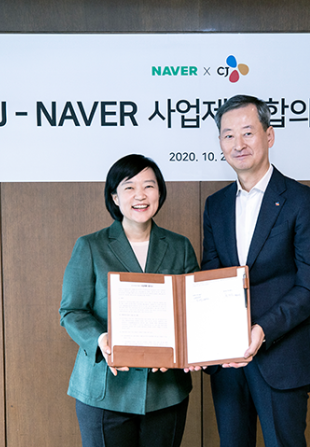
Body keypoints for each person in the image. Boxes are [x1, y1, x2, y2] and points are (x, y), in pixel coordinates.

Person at [200, 95, 310, 447]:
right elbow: (210, 277)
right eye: (228, 135)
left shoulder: (302, 201)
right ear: (219, 143)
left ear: (269, 136)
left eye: (247, 132)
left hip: (281, 355)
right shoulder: (216, 205)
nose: (238, 144)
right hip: (226, 361)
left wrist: (262, 330)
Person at [59, 154, 199, 447]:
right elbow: (72, 311)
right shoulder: (90, 246)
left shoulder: (179, 246)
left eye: (149, 186)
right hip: (105, 389)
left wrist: (187, 348)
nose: (140, 195)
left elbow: (193, 310)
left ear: (159, 192)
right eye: (129, 187)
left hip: (165, 391)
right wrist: (101, 340)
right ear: (114, 195)